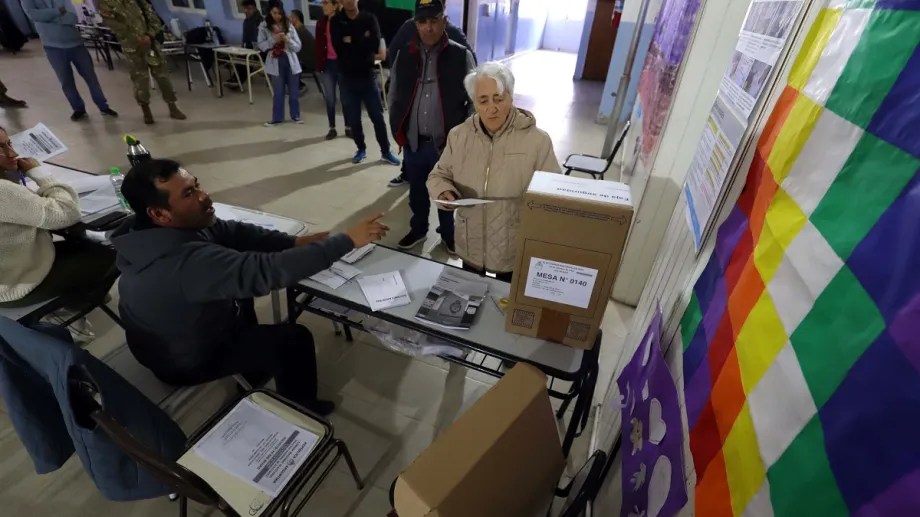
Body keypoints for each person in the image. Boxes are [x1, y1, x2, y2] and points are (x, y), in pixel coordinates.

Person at [112, 159, 389, 415]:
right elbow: (267, 271)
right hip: (182, 359)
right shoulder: (183, 263)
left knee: (242, 297)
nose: (204, 195)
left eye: (196, 184)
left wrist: (292, 243)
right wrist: (346, 242)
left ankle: (253, 368)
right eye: (188, 194)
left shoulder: (149, 231)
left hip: (171, 334)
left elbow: (230, 231)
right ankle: (303, 410)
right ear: (160, 214)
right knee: (293, 339)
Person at [427, 62, 561, 281]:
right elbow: (438, 175)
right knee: (469, 299)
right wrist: (443, 192)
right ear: (474, 102)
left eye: (499, 98)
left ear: (510, 97)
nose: (492, 108)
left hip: (512, 244)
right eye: (483, 100)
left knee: (502, 305)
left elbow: (554, 193)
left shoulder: (537, 141)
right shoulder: (459, 136)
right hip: (470, 241)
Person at [388, 0, 474, 254]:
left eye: (434, 20)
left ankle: (448, 234)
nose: (429, 27)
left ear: (444, 21)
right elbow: (394, 94)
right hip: (415, 141)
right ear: (415, 24)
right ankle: (418, 229)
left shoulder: (460, 55)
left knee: (446, 194)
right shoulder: (405, 54)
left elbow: (473, 99)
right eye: (423, 22)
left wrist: (463, 134)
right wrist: (397, 128)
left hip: (446, 144)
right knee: (417, 190)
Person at [0, 126, 116, 310]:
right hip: (18, 285)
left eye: (9, 143)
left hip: (11, 272)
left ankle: (79, 299)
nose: (12, 153)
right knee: (110, 253)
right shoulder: (3, 191)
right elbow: (67, 213)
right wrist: (40, 174)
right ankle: (72, 307)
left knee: (78, 246)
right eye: (1, 148)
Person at [21, 0, 118, 121]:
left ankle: (103, 106)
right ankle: (78, 109)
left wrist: (47, 18)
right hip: (53, 47)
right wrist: (59, 12)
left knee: (91, 77)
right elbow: (33, 15)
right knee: (66, 81)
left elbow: (73, 17)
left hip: (76, 44)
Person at [331, 0, 401, 165]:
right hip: (347, 78)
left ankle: (385, 151)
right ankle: (361, 149)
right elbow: (338, 47)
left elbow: (375, 44)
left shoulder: (369, 18)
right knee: (354, 119)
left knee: (377, 117)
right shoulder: (336, 21)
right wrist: (362, 39)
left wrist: (351, 40)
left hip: (367, 77)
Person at [98, 0, 186, 125]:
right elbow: (112, 24)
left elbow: (153, 18)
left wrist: (149, 35)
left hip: (150, 45)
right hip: (132, 47)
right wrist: (135, 36)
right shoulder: (106, 3)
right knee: (140, 80)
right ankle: (146, 110)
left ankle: (172, 106)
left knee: (163, 77)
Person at [258, 5, 303, 126]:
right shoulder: (264, 26)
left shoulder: (289, 25)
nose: (277, 16)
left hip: (290, 61)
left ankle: (296, 116)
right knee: (278, 92)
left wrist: (288, 40)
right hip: (275, 61)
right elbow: (261, 45)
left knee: (294, 92)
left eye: (279, 13)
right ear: (269, 13)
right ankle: (277, 118)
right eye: (274, 13)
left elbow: (298, 47)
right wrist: (273, 40)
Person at [315, 0, 351, 140]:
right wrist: (319, 66)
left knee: (345, 98)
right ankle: (332, 128)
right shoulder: (321, 23)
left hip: (342, 64)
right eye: (322, 3)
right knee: (330, 98)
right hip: (328, 64)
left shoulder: (343, 21)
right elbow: (318, 45)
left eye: (326, 3)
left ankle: (348, 127)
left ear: (335, 5)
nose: (323, 6)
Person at [289, 9, 316, 95]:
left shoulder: (299, 32)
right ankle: (296, 84)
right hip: (308, 59)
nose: (289, 19)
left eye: (291, 17)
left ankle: (296, 86)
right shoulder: (301, 29)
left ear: (295, 18)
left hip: (308, 62)